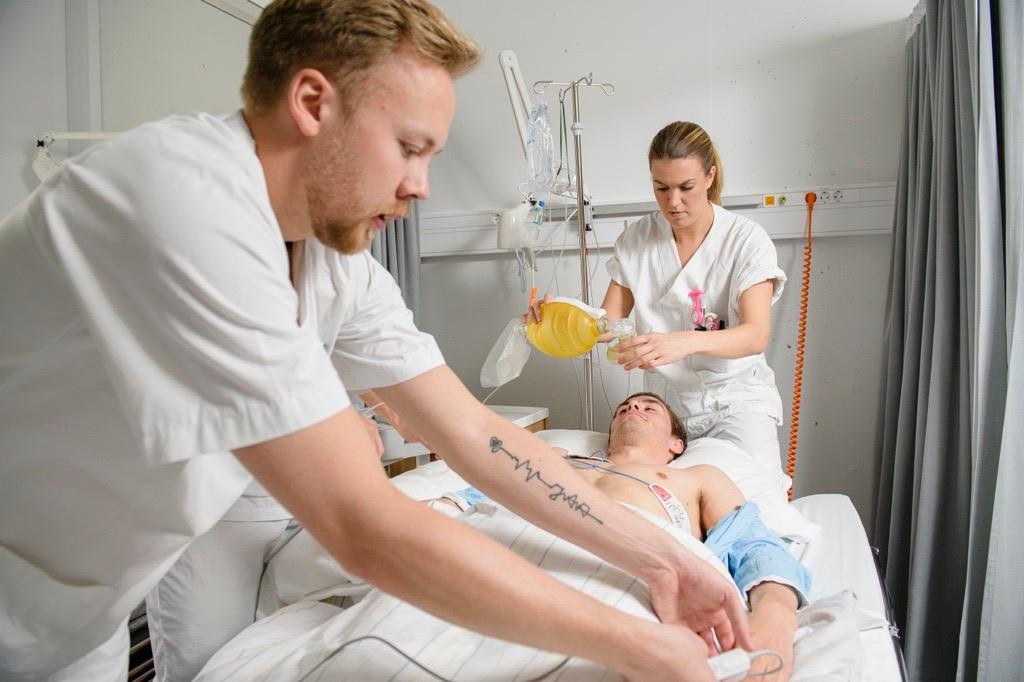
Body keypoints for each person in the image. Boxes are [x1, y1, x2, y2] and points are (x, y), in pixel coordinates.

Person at [0, 2, 752, 680]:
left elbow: (474, 432)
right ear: (312, 102)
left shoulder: (333, 260)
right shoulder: (185, 203)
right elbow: (363, 524)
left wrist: (663, 561)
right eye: (410, 147)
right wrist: (638, 643)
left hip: (82, 615)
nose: (423, 185)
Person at [445, 391, 811, 681]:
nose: (633, 406)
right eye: (624, 406)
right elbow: (482, 496)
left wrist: (776, 617)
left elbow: (753, 545)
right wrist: (444, 506)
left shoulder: (699, 477)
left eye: (649, 407)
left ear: (676, 444)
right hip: (508, 540)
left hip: (625, 570)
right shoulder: (559, 456)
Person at [531, 122, 787, 475]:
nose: (673, 201)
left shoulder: (745, 240)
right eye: (661, 188)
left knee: (753, 496)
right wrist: (558, 318)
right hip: (669, 411)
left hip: (737, 401)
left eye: (686, 187)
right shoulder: (636, 239)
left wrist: (683, 343)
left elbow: (755, 335)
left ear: (710, 177)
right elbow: (606, 325)